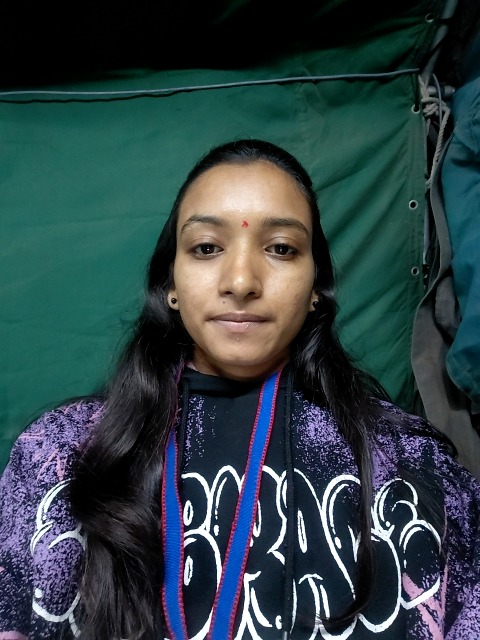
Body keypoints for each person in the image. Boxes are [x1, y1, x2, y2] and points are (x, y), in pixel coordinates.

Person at [0, 138, 479, 640]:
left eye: (281, 248)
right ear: (171, 284)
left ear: (316, 289)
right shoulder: (58, 455)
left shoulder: (411, 461)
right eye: (207, 248)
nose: (242, 280)